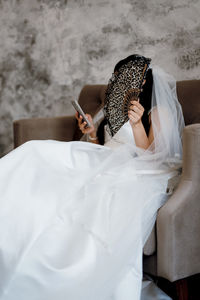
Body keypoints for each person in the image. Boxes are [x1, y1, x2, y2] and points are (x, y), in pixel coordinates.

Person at [0, 55, 184, 300]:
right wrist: (91, 134)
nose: (117, 82)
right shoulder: (116, 111)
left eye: (124, 76)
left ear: (142, 82)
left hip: (135, 165)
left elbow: (155, 156)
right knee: (37, 153)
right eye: (116, 77)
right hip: (103, 158)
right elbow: (108, 148)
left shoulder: (156, 110)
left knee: (39, 152)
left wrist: (138, 124)